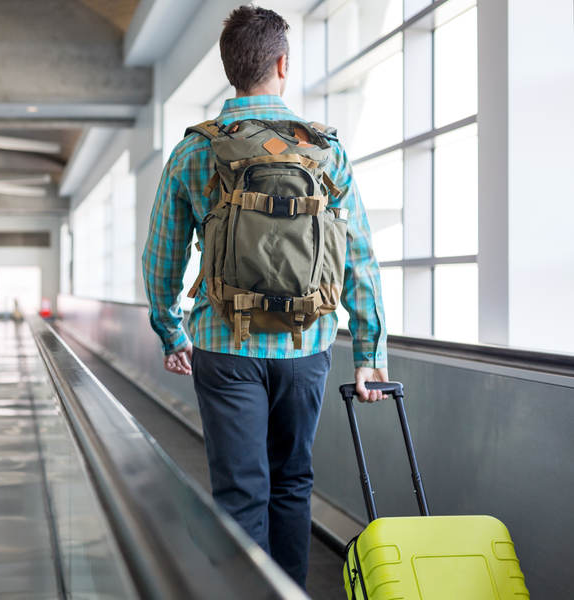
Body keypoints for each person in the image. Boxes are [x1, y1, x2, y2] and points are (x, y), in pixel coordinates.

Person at [141, 6, 389, 589]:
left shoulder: (193, 152)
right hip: (308, 344)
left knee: (239, 489)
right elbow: (359, 258)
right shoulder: (327, 150)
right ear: (283, 63)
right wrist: (370, 353)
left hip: (223, 348)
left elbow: (162, 259)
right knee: (292, 483)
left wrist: (170, 330)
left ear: (230, 69)